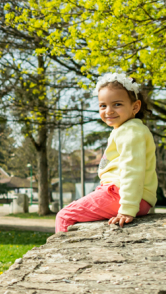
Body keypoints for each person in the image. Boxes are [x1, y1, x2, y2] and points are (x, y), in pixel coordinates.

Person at [55, 73, 157, 233]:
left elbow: (133, 170)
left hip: (123, 195)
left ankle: (60, 257)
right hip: (128, 195)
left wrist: (128, 208)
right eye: (103, 105)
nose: (109, 111)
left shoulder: (130, 131)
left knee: (65, 216)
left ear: (135, 107)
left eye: (117, 104)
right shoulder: (128, 129)